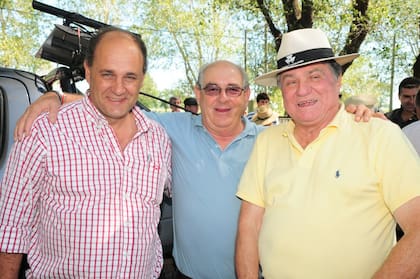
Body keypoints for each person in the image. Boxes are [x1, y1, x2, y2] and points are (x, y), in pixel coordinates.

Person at [14, 59, 379, 278]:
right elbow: (113, 104)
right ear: (198, 92)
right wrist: (57, 97)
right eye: (213, 89)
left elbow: (321, 128)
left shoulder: (274, 140)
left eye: (233, 90)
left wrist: (357, 113)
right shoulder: (167, 129)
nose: (223, 99)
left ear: (248, 94)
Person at [235, 28, 420, 279]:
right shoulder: (266, 142)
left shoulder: (379, 135)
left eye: (314, 76)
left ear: (338, 80)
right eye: (290, 81)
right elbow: (248, 227)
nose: (302, 90)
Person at [0, 27, 172, 278]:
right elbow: (11, 229)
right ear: (89, 71)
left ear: (142, 79)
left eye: (130, 77)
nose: (118, 88)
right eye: (107, 74)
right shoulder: (45, 131)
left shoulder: (158, 137)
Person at [403, 89, 420, 155]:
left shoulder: (406, 132)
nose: (411, 101)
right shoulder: (388, 117)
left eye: (414, 96)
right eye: (407, 96)